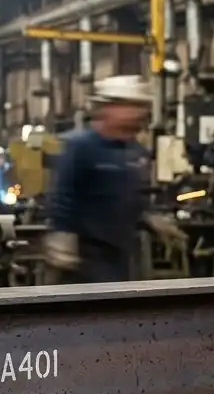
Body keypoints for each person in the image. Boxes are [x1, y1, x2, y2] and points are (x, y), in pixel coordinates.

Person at [44, 75, 186, 284]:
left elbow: (135, 197)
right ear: (107, 108)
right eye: (132, 106)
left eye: (141, 107)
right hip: (85, 257)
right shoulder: (82, 147)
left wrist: (150, 218)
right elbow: (63, 193)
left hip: (121, 254)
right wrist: (62, 234)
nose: (140, 113)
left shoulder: (136, 152)